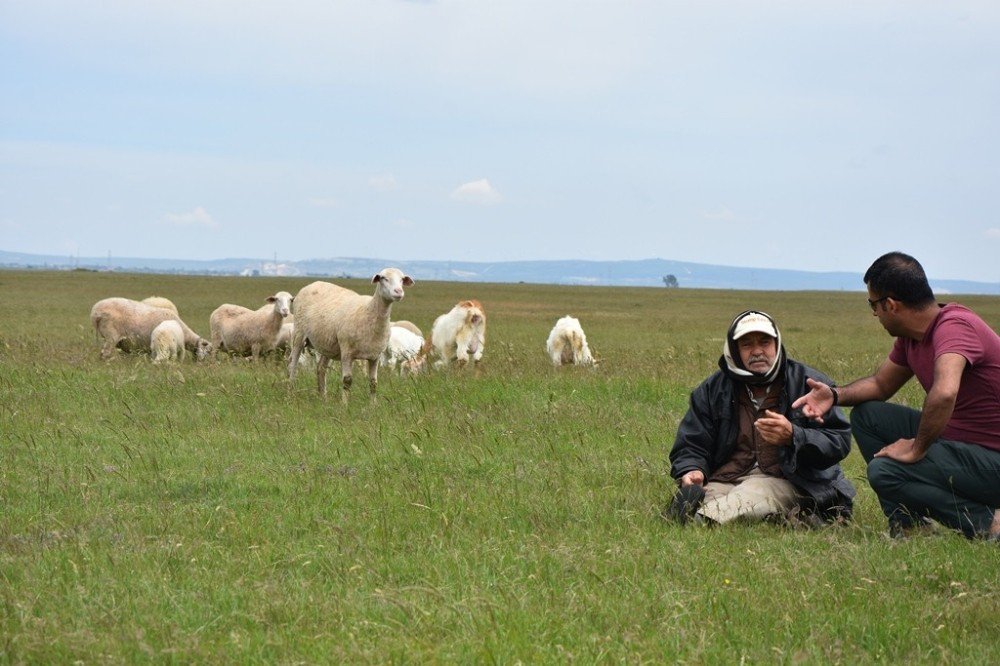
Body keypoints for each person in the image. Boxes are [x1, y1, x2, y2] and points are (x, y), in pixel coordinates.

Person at [793, 252, 1000, 540]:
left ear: (890, 304)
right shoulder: (912, 338)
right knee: (867, 416)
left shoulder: (954, 327)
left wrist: (917, 447)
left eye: (873, 304)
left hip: (992, 459)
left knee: (885, 472)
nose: (874, 313)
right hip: (962, 444)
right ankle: (908, 524)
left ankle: (988, 522)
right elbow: (880, 384)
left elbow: (944, 392)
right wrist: (834, 395)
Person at [667, 310, 855, 525]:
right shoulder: (712, 389)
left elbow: (838, 442)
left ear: (776, 344)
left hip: (792, 480)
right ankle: (782, 521)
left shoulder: (809, 384)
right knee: (708, 494)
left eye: (765, 343)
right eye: (746, 345)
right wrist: (692, 469)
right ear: (734, 350)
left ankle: (700, 520)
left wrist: (794, 436)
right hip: (728, 477)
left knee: (753, 492)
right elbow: (692, 442)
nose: (757, 351)